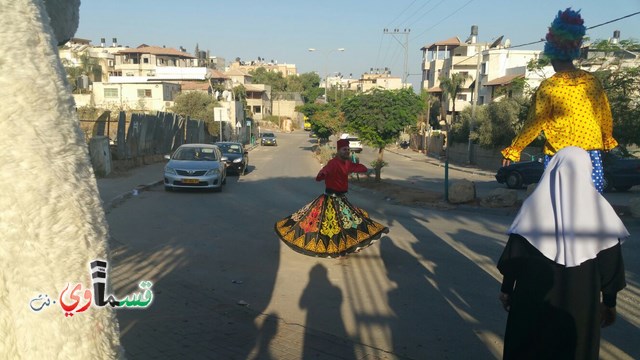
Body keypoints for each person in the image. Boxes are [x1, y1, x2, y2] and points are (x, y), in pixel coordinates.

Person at [497, 147, 629, 360]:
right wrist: (610, 303)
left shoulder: (533, 208)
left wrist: (506, 291)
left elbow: (513, 259)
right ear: (587, 170)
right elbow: (611, 267)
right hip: (581, 308)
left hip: (531, 305)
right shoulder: (601, 213)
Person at [501, 8, 618, 193]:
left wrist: (515, 149)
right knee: (589, 203)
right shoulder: (592, 82)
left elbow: (534, 122)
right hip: (590, 154)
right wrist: (607, 139)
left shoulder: (549, 86)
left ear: (552, 53)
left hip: (559, 155)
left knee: (557, 204)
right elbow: (604, 115)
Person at [274, 138, 388, 257]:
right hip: (330, 199)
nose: (347, 152)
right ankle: (330, 247)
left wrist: (355, 166)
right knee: (324, 226)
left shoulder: (347, 163)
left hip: (341, 198)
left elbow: (363, 169)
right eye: (344, 150)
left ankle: (347, 246)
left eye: (348, 150)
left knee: (351, 221)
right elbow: (322, 174)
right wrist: (323, 174)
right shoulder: (333, 163)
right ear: (339, 150)